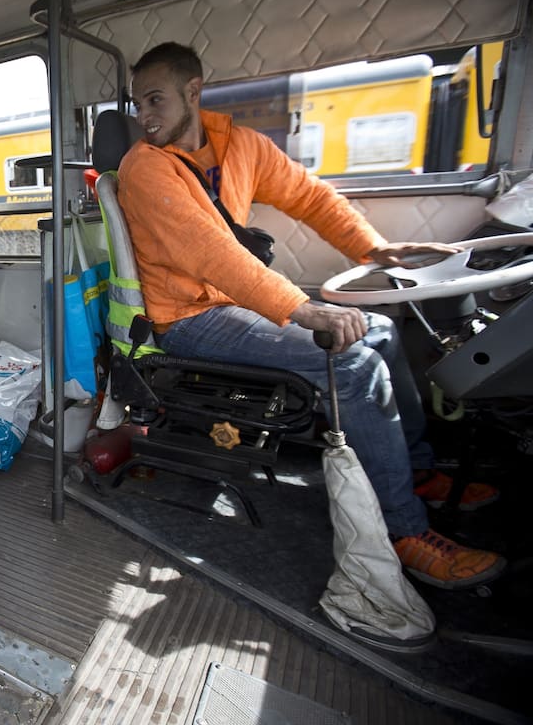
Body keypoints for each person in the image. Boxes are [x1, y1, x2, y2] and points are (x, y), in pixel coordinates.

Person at [117, 41, 504, 590]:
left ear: (193, 92)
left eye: (154, 100)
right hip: (188, 319)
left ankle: (412, 472)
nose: (145, 117)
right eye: (138, 105)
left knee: (385, 333)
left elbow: (310, 197)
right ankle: (403, 533)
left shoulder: (241, 147)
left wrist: (374, 249)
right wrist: (303, 310)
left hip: (233, 303)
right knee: (353, 367)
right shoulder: (143, 169)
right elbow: (212, 254)